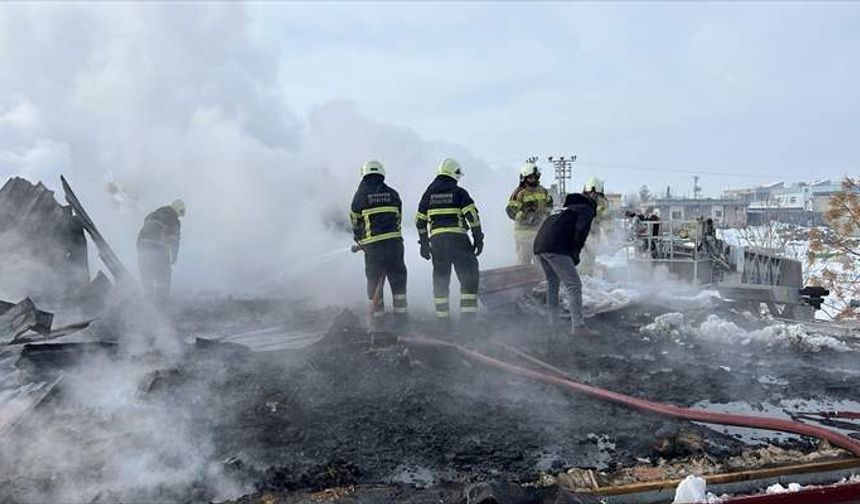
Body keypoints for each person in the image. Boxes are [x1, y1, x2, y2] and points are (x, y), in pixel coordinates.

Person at [416, 158, 483, 321]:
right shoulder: (459, 192)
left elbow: (420, 221)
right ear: (454, 174)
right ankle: (468, 320)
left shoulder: (427, 195)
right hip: (459, 241)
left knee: (441, 280)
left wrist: (424, 244)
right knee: (469, 277)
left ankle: (443, 320)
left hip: (437, 242)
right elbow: (472, 216)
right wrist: (478, 237)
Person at [533, 187, 599, 337]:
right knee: (574, 285)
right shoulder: (586, 209)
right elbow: (580, 233)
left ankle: (553, 321)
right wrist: (575, 255)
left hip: (539, 246)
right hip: (555, 248)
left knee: (553, 282)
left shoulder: (564, 209)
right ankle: (579, 326)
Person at [349, 160, 408, 327]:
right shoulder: (393, 194)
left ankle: (378, 322)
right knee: (398, 281)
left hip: (373, 248)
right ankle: (402, 321)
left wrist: (360, 239)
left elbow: (355, 222)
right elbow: (398, 218)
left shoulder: (359, 196)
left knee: (374, 282)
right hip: (395, 245)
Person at [137, 199, 185, 303]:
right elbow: (174, 239)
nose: (180, 215)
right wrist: (174, 255)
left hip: (141, 244)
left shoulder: (153, 214)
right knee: (163, 271)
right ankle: (163, 298)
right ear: (178, 210)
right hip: (157, 245)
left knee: (146, 269)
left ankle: (148, 297)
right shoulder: (173, 218)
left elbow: (146, 225)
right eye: (181, 212)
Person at [505, 161, 553, 265]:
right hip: (523, 234)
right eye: (530, 177)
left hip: (540, 232)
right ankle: (521, 275)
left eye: (535, 177)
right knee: (523, 261)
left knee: (541, 262)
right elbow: (510, 211)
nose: (533, 179)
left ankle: (540, 275)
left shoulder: (543, 191)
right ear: (524, 178)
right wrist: (525, 215)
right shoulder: (519, 193)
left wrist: (546, 215)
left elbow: (549, 205)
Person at [577, 177, 609, 276]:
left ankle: (586, 275)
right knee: (580, 255)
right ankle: (581, 274)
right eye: (591, 193)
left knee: (590, 256)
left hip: (593, 231)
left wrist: (610, 233)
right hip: (581, 230)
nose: (593, 195)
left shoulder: (602, 203)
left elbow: (606, 219)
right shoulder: (580, 200)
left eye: (595, 193)